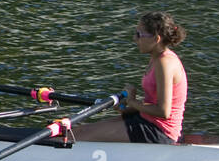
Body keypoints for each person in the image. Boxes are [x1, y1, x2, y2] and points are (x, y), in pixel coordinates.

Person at [75, 12, 187, 144]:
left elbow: (163, 111)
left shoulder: (165, 63)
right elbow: (151, 103)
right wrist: (125, 109)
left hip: (160, 131)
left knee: (80, 135)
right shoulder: (156, 58)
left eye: (139, 35)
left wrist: (132, 101)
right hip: (147, 120)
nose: (135, 38)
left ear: (156, 39)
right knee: (78, 131)